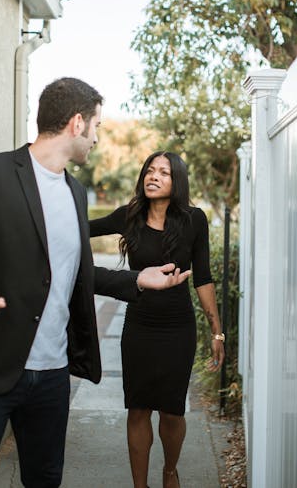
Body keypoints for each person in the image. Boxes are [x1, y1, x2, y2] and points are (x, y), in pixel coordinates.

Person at [0, 78, 191, 488]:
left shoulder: (75, 191)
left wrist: (138, 279)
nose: (98, 139)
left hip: (52, 374)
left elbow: (77, 275)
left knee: (46, 480)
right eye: (98, 127)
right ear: (77, 123)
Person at [89, 151, 225, 488]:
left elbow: (203, 278)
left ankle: (169, 470)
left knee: (172, 410)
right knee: (137, 409)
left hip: (178, 328)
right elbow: (81, 229)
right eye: (150, 171)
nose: (154, 176)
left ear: (177, 181)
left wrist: (217, 332)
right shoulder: (129, 216)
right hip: (139, 326)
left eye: (164, 172)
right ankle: (140, 485)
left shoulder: (195, 220)